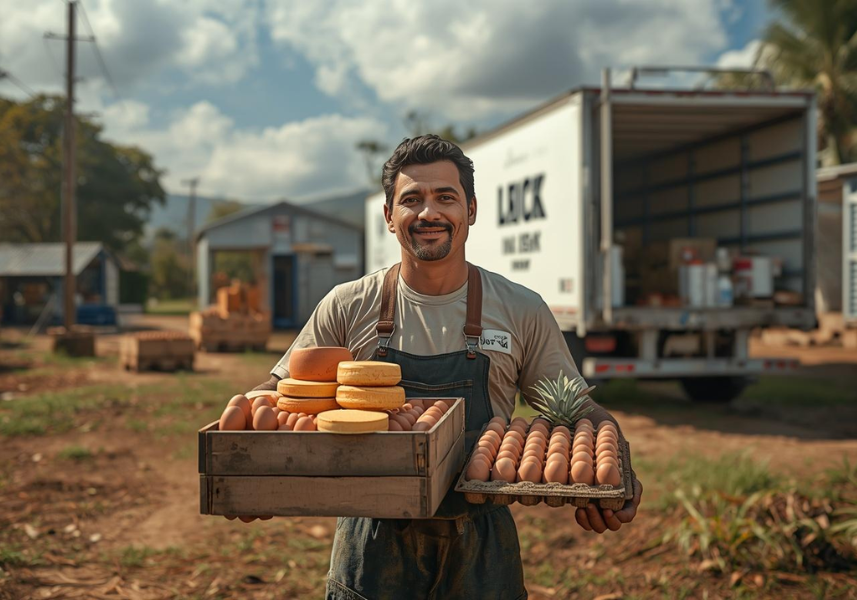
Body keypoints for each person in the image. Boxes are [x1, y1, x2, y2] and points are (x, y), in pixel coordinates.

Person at [245, 134, 643, 599]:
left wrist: (615, 468)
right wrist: (250, 463)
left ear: (470, 210)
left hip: (481, 545)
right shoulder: (347, 306)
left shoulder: (520, 309)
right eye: (411, 199)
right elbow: (277, 395)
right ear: (390, 217)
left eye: (445, 198)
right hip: (371, 543)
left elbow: (577, 411)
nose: (429, 213)